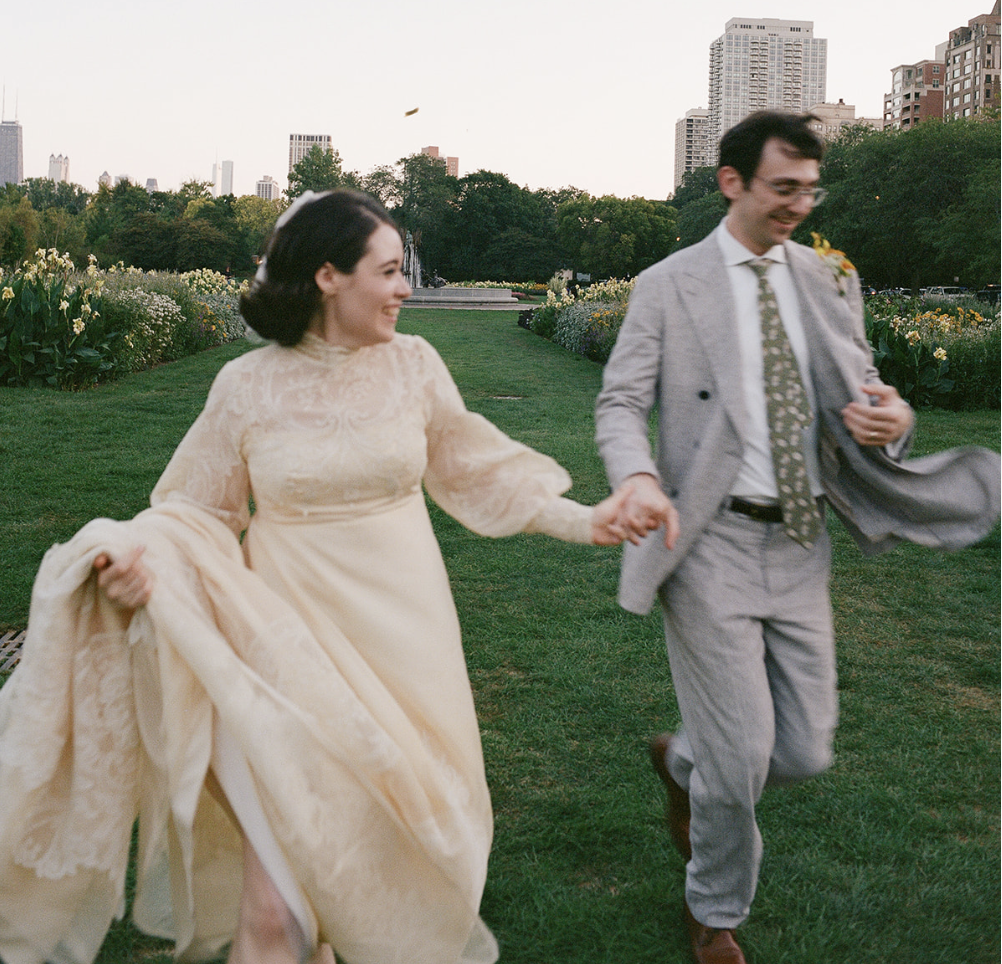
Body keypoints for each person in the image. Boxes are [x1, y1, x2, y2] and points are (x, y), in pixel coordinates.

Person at [0, 189, 635, 964]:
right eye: (390, 270)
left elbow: (476, 469)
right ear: (329, 276)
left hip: (408, 642)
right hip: (283, 646)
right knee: (271, 918)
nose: (406, 288)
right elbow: (194, 509)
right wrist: (138, 562)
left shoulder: (414, 366)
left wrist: (588, 520)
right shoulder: (246, 385)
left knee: (391, 853)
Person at [594, 111, 1000, 964]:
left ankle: (684, 767)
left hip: (801, 543)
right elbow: (621, 402)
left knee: (806, 751)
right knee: (743, 756)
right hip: (706, 542)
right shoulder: (670, 283)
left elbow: (866, 387)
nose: (799, 206)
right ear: (733, 182)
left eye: (810, 190)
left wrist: (895, 415)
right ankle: (715, 911)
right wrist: (634, 474)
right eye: (784, 188)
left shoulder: (825, 278)